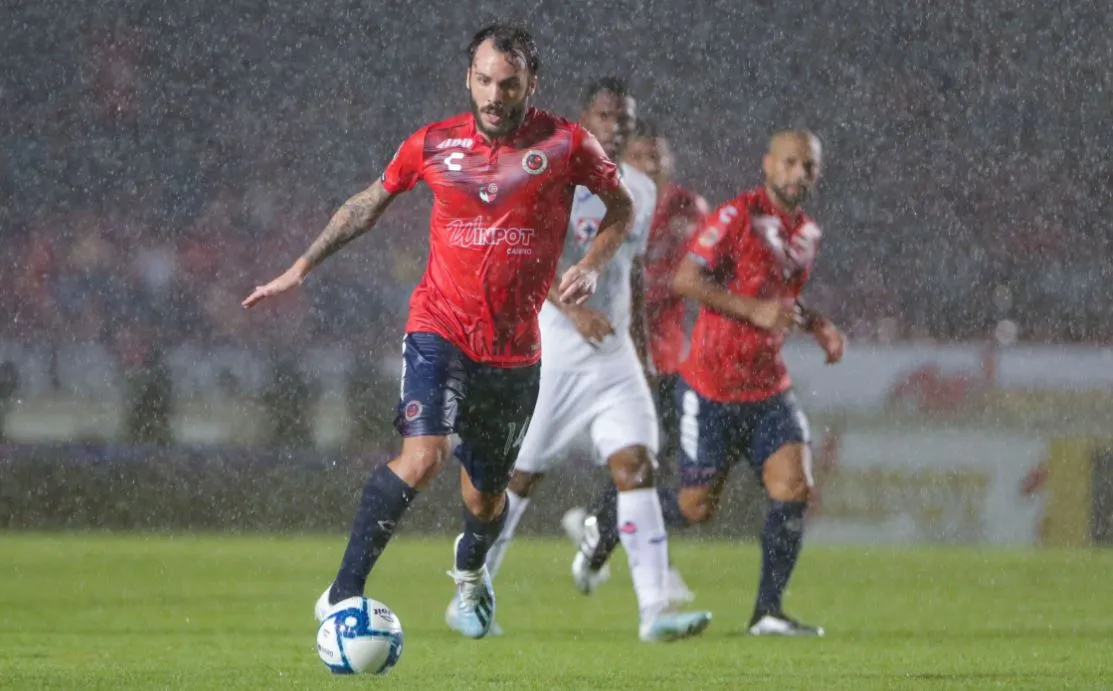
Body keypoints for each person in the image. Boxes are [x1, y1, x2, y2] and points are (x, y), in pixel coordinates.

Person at [243, 23, 636, 641]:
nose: (494, 95)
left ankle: (472, 569)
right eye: (483, 80)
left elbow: (622, 207)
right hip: (439, 328)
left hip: (513, 354)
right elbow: (366, 205)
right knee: (423, 458)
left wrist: (590, 264)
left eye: (509, 83)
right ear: (468, 79)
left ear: (532, 83)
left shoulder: (567, 145)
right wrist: (301, 266)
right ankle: (343, 592)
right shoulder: (433, 143)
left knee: (484, 500)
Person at [445, 78, 711, 643]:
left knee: (636, 465)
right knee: (517, 479)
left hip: (613, 357)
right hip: (554, 351)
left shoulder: (639, 186)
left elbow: (631, 271)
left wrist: (639, 345)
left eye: (625, 120)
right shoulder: (550, 175)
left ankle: (655, 610)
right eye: (607, 116)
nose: (616, 127)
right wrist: (574, 314)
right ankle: (468, 594)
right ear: (585, 119)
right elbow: (519, 259)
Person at [569, 129, 845, 636]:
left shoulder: (807, 234)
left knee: (794, 487)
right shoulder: (734, 217)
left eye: (808, 166)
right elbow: (686, 280)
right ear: (767, 164)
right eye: (790, 162)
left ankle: (767, 613)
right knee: (696, 509)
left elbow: (780, 303)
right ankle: (609, 522)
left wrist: (818, 325)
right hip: (712, 386)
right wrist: (753, 310)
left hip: (768, 389)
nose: (798, 173)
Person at [561, 121, 708, 600]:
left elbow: (701, 269)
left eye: (659, 156)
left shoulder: (689, 208)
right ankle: (616, 547)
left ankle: (597, 532)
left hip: (669, 354)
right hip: (621, 350)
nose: (653, 165)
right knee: (644, 458)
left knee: (653, 461)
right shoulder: (612, 200)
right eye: (643, 157)